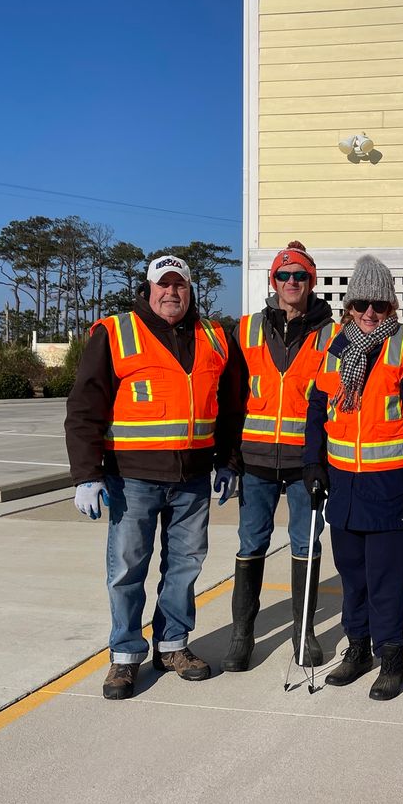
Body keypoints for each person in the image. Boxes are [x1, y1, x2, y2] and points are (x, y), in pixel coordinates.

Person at [66, 254, 241, 701]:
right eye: (163, 285)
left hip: (193, 478)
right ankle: (125, 657)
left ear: (190, 290)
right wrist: (86, 475)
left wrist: (228, 460)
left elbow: (232, 404)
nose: (171, 292)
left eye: (179, 285)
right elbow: (85, 408)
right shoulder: (115, 333)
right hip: (132, 479)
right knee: (127, 570)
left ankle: (173, 646)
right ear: (147, 290)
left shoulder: (215, 337)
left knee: (184, 567)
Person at [303, 255, 403, 701]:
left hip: (390, 486)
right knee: (353, 574)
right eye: (360, 303)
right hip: (343, 485)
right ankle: (357, 648)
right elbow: (317, 409)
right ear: (349, 305)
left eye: (378, 305)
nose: (368, 313)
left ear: (391, 307)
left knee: (388, 578)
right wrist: (312, 462)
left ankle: (391, 656)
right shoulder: (335, 345)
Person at [221, 241, 335, 672]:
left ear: (312, 281)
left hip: (306, 461)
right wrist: (228, 456)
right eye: (284, 276)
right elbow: (230, 398)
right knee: (251, 544)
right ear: (273, 281)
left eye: (300, 275)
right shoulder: (246, 329)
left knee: (307, 544)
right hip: (255, 463)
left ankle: (303, 635)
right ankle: (241, 636)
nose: (292, 282)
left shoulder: (332, 332)